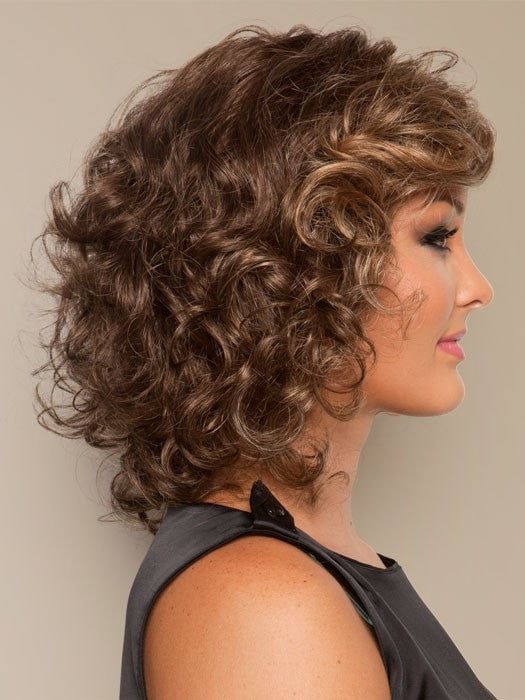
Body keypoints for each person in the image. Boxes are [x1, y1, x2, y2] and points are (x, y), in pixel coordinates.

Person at [30, 23, 497, 699]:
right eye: (437, 237)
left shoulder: (309, 574)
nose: (478, 288)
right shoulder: (262, 607)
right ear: (303, 263)